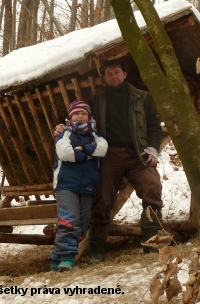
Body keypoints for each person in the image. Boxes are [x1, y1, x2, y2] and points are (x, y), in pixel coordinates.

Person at [54, 59, 163, 263]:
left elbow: (154, 126)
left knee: (152, 186)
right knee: (103, 196)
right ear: (104, 78)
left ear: (125, 74)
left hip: (136, 153)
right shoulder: (97, 99)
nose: (113, 77)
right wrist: (63, 127)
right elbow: (81, 121)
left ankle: (152, 240)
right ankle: (97, 248)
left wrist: (153, 150)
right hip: (108, 154)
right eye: (109, 74)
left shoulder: (142, 97)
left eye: (116, 72)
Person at [50, 100, 108, 271]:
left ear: (89, 117)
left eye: (84, 113)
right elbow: (65, 153)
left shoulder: (96, 136)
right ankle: (67, 258)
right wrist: (88, 152)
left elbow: (102, 150)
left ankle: (56, 257)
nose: (80, 116)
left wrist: (79, 149)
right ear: (70, 116)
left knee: (82, 224)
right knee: (69, 220)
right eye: (76, 113)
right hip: (66, 184)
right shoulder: (64, 134)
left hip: (88, 186)